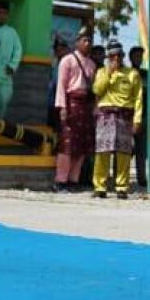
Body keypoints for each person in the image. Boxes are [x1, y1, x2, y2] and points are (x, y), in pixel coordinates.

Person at [91, 38, 142, 199]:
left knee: (124, 153)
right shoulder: (101, 72)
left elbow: (138, 98)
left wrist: (137, 120)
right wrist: (109, 73)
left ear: (123, 55)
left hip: (124, 116)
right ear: (108, 57)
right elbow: (97, 90)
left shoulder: (132, 74)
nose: (116, 58)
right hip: (105, 116)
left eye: (119, 55)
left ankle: (121, 187)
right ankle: (100, 186)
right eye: (113, 56)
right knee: (102, 152)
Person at [54, 27, 96, 192]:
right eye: (84, 40)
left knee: (81, 146)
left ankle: (73, 180)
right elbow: (61, 86)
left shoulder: (92, 64)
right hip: (71, 104)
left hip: (85, 106)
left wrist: (94, 108)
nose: (87, 43)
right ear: (77, 42)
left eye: (89, 40)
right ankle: (60, 180)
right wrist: (62, 107)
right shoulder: (67, 60)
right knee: (67, 144)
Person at [0, 0, 23, 120]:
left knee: (5, 99)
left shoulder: (12, 32)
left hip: (5, 72)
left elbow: (18, 50)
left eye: (4, 13)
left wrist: (13, 66)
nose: (2, 15)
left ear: (7, 15)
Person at [129, 44, 148, 189]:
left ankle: (142, 178)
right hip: (128, 116)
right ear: (130, 58)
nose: (138, 59)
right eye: (136, 56)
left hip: (144, 116)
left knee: (142, 151)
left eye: (140, 56)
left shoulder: (147, 74)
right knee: (125, 149)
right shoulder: (126, 73)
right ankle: (120, 178)